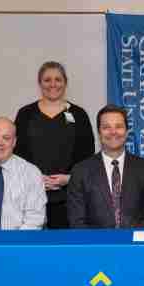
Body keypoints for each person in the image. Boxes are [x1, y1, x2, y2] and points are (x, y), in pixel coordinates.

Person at [15, 61, 94, 228]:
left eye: (58, 79)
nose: (53, 84)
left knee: (65, 251)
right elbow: (16, 155)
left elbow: (88, 158)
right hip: (30, 197)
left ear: (65, 82)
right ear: (39, 83)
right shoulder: (25, 114)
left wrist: (69, 179)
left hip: (69, 199)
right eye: (47, 79)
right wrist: (34, 178)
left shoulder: (79, 115)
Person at [67, 105, 144, 228]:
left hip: (135, 245)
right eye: (106, 127)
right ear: (99, 132)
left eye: (119, 126)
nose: (113, 132)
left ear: (127, 131)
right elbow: (76, 222)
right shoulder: (80, 171)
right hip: (97, 245)